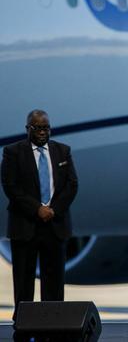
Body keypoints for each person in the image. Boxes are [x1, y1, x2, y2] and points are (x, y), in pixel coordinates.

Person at [1, 110, 79, 321]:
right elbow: (11, 186)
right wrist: (37, 208)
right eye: (38, 128)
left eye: (46, 128)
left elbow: (72, 185)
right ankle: (24, 321)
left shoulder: (63, 151)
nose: (43, 132)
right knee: (24, 279)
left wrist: (53, 209)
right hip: (26, 224)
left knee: (54, 278)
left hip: (55, 223)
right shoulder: (13, 152)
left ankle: (54, 320)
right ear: (28, 128)